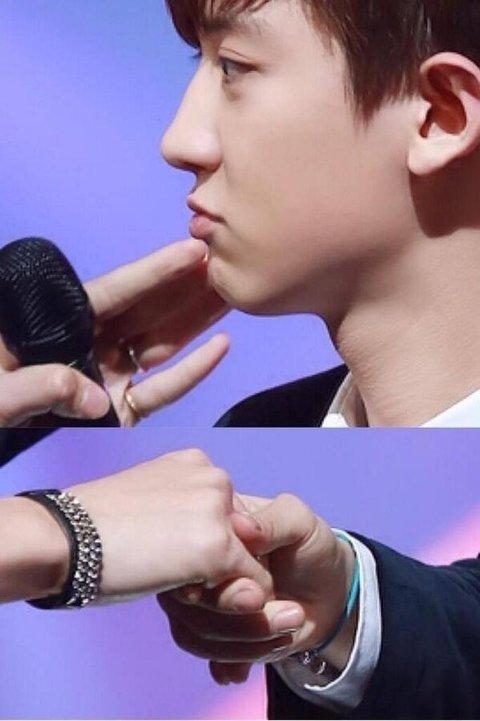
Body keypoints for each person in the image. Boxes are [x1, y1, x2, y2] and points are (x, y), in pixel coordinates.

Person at [151, 0, 480, 718]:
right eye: (199, 61)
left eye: (234, 67)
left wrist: (348, 608)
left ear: (440, 115)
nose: (180, 141)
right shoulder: (250, 434)